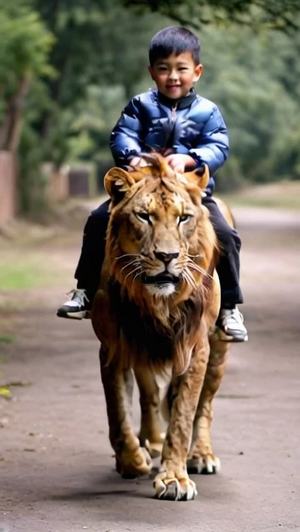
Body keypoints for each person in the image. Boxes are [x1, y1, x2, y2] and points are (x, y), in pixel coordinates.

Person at [57, 26, 248, 342]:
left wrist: (190, 159)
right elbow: (122, 135)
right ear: (152, 72)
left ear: (196, 72)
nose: (173, 76)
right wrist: (132, 157)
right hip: (142, 192)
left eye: (181, 69)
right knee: (98, 220)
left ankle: (229, 307)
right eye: (164, 69)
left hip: (189, 196)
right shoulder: (139, 105)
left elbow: (219, 145)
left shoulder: (208, 111)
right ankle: (85, 291)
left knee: (226, 235)